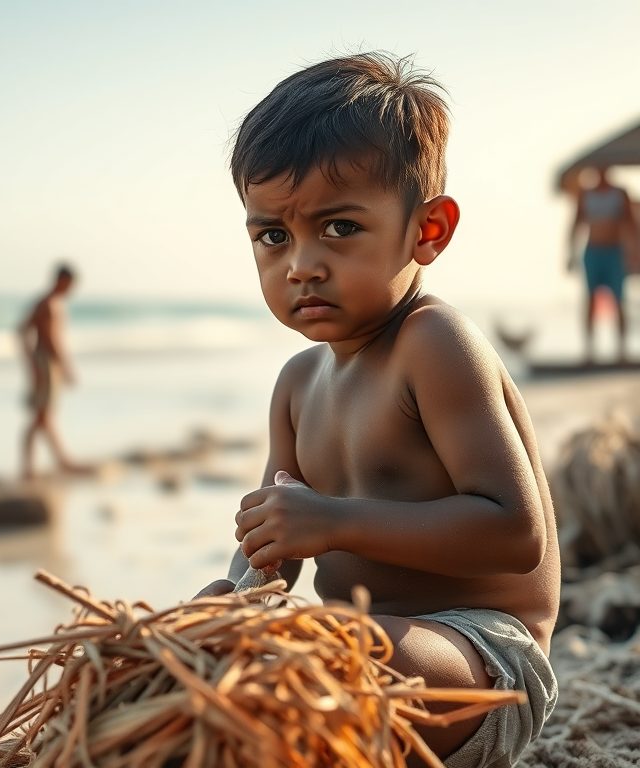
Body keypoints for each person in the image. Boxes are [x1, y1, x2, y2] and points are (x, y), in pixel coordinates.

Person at [196, 53, 559, 766]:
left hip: (479, 659)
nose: (301, 263)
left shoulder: (434, 343)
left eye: (338, 228)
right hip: (359, 645)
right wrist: (234, 595)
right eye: (273, 236)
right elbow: (279, 554)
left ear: (427, 230)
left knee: (327, 651)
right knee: (232, 654)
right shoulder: (297, 386)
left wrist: (331, 521)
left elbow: (516, 533)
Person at [18, 263, 82, 480]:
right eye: (70, 284)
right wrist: (33, 363)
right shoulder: (47, 304)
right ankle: (51, 463)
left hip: (48, 362)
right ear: (61, 280)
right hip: (45, 362)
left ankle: (54, 462)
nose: (71, 289)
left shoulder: (53, 303)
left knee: (44, 416)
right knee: (41, 416)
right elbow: (36, 335)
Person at [567, 166, 637, 363]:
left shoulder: (619, 193)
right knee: (590, 300)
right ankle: (589, 351)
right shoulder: (586, 195)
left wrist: (633, 252)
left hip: (615, 252)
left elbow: (631, 224)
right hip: (593, 251)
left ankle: (622, 351)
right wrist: (570, 253)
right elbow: (575, 223)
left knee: (619, 300)